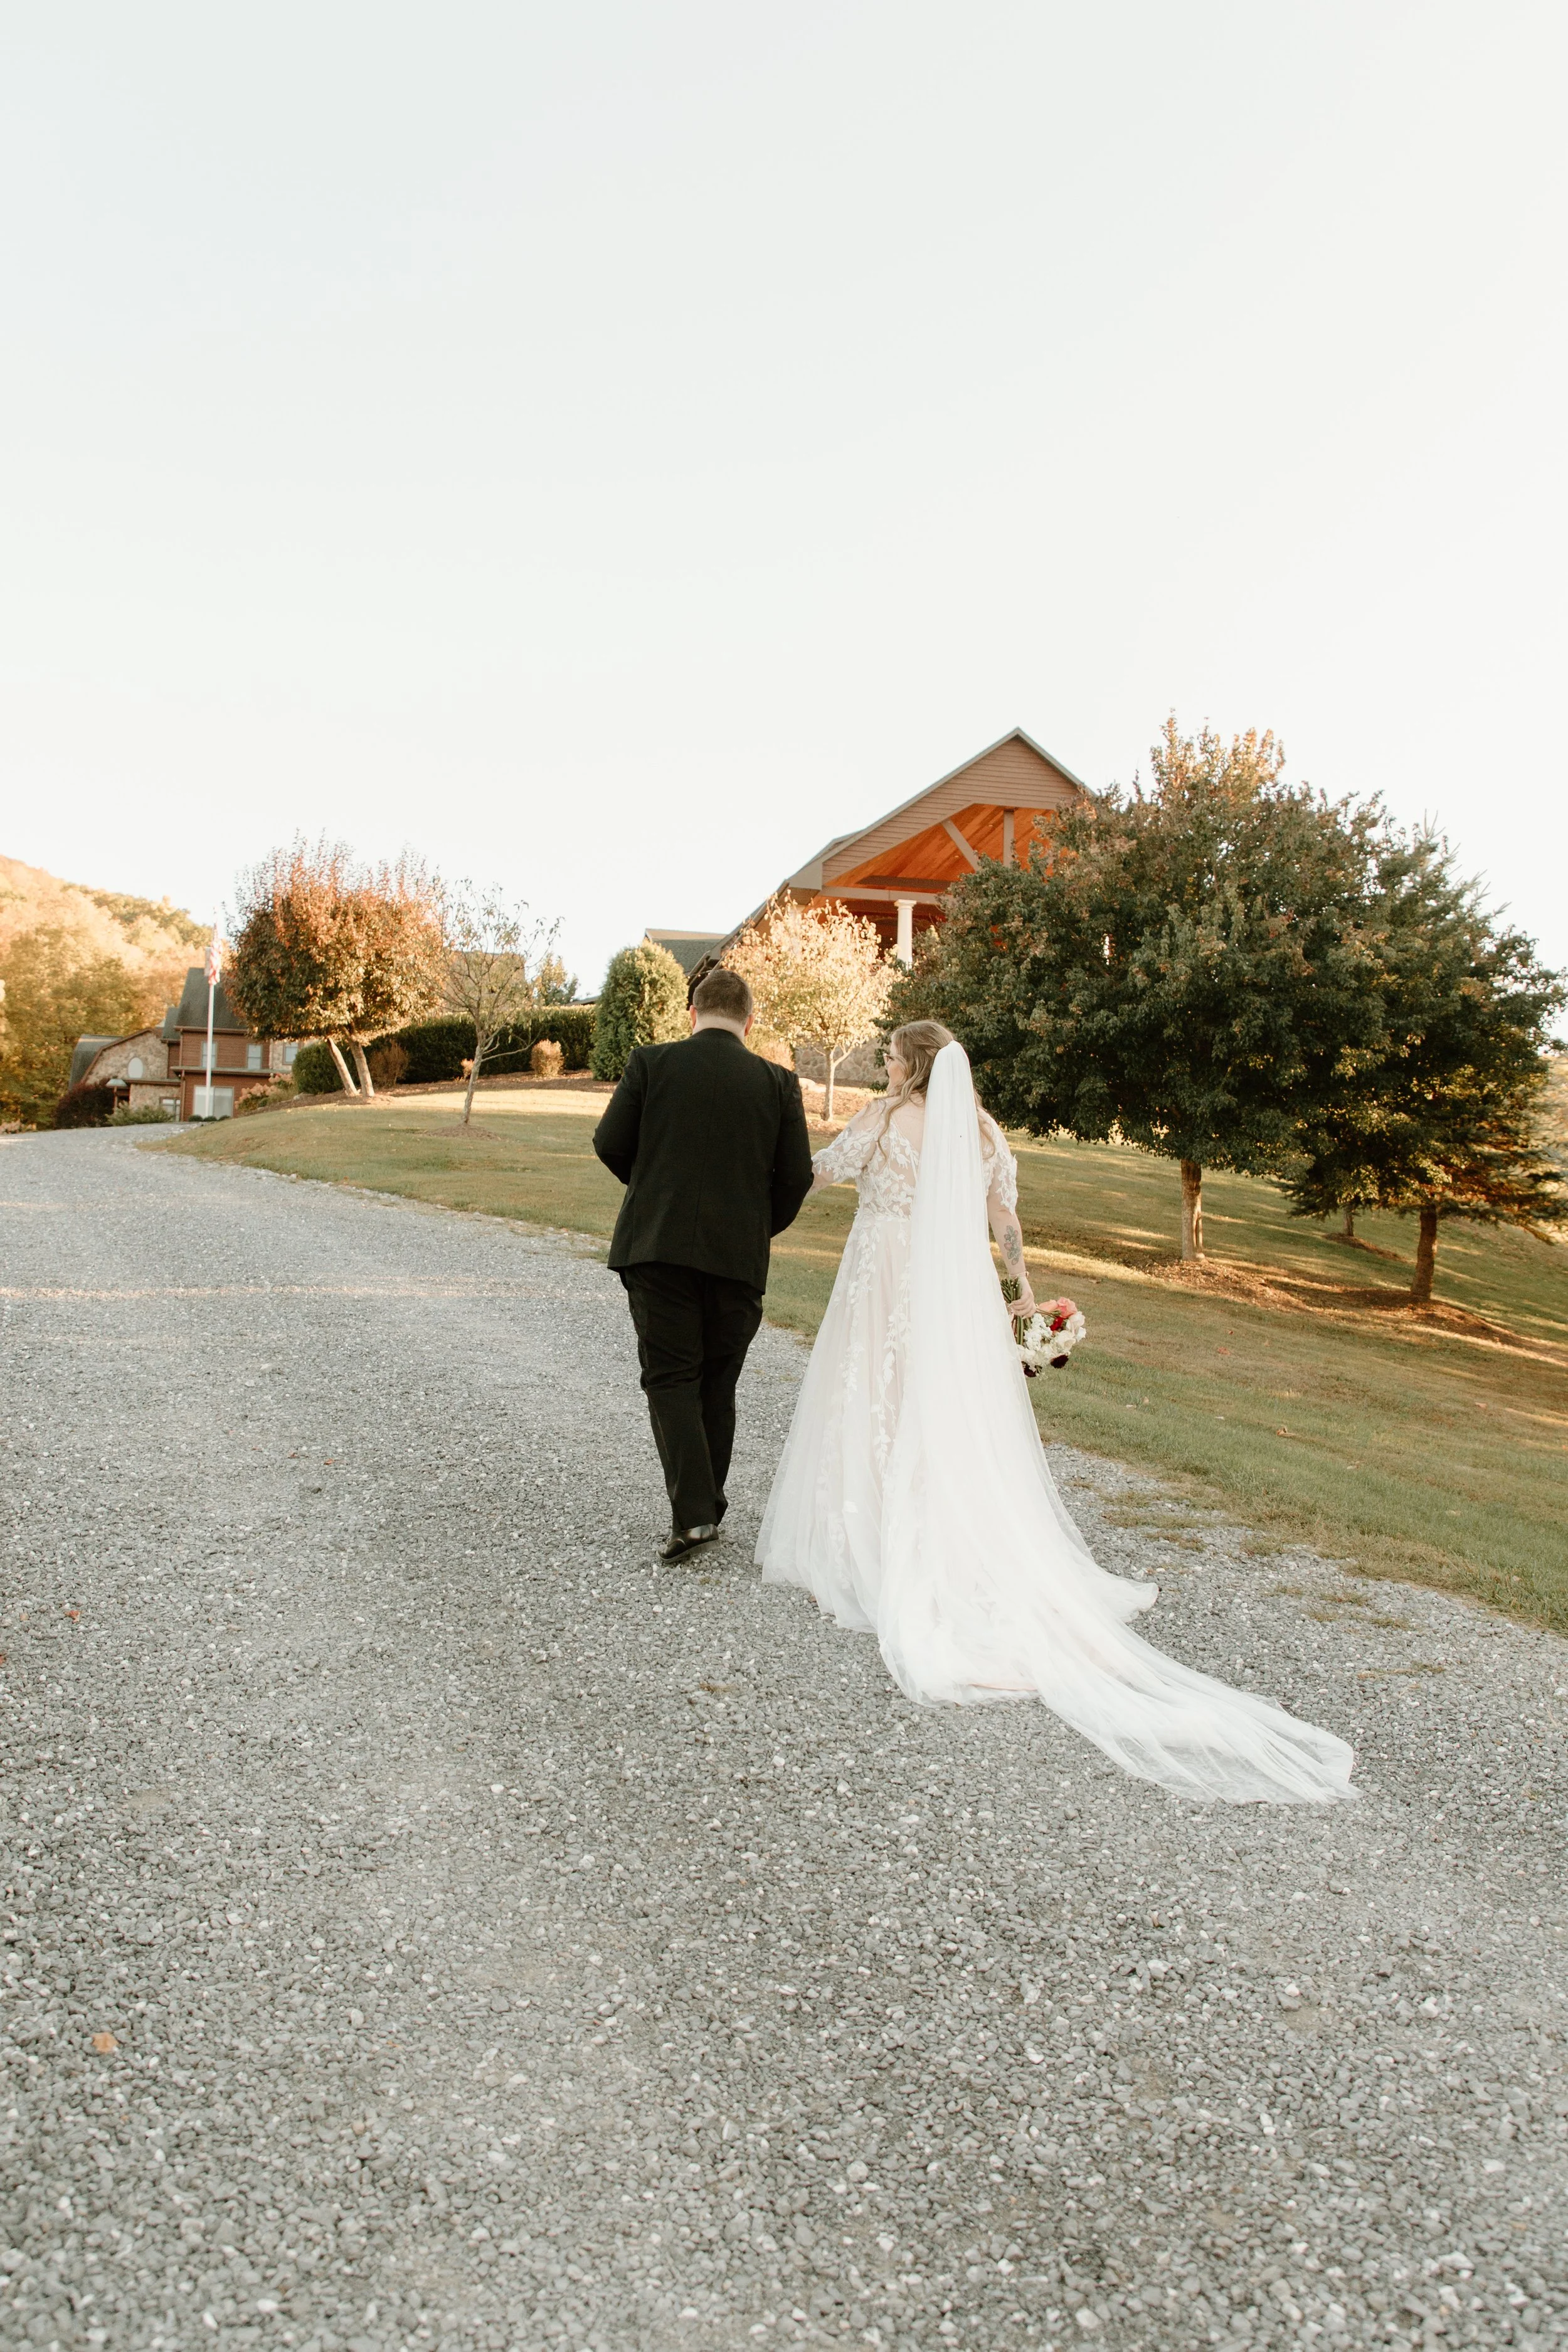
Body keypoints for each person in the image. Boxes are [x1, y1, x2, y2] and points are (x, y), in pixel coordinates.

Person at [757, 1022, 1357, 1805]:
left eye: (896, 1057)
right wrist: (1024, 1294)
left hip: (881, 1278)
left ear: (911, 1066)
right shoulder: (981, 1130)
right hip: (956, 1287)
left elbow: (818, 1175)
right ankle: (937, 1522)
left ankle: (862, 1533)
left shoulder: (878, 1118)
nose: (889, 1066)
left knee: (873, 1395)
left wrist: (753, 1195)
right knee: (944, 1410)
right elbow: (1004, 1219)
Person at [594, 966, 813, 1562]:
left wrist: (653, 1189)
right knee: (717, 1381)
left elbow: (609, 1143)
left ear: (692, 1013)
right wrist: (752, 1226)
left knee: (670, 1377)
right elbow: (797, 1178)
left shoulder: (651, 1063)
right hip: (737, 1256)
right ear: (750, 1020)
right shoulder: (778, 1083)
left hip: (657, 1247)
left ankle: (695, 1514)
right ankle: (704, 1507)